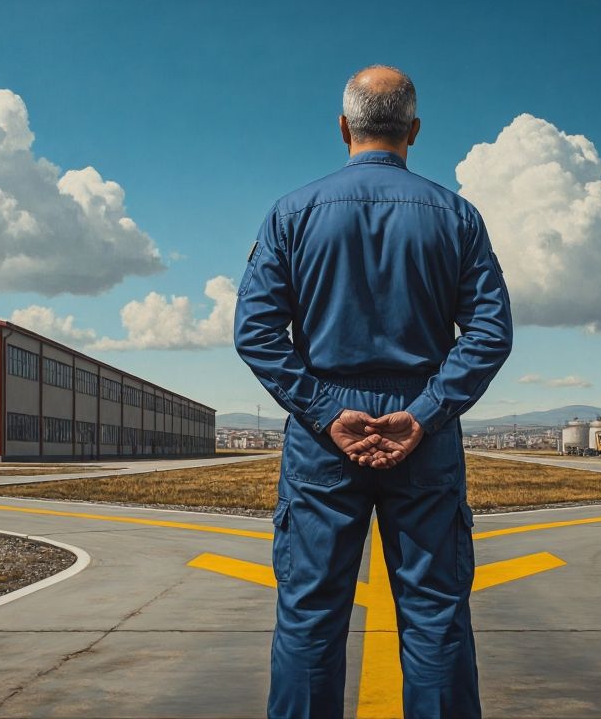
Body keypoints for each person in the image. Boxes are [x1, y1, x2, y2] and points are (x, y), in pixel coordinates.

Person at [233, 64, 513, 718]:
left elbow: (256, 331)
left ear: (343, 128)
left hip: (324, 432)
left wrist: (327, 411)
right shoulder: (456, 215)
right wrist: (425, 414)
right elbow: (490, 332)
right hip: (423, 430)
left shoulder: (292, 214)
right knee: (436, 616)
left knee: (309, 618)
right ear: (414, 129)